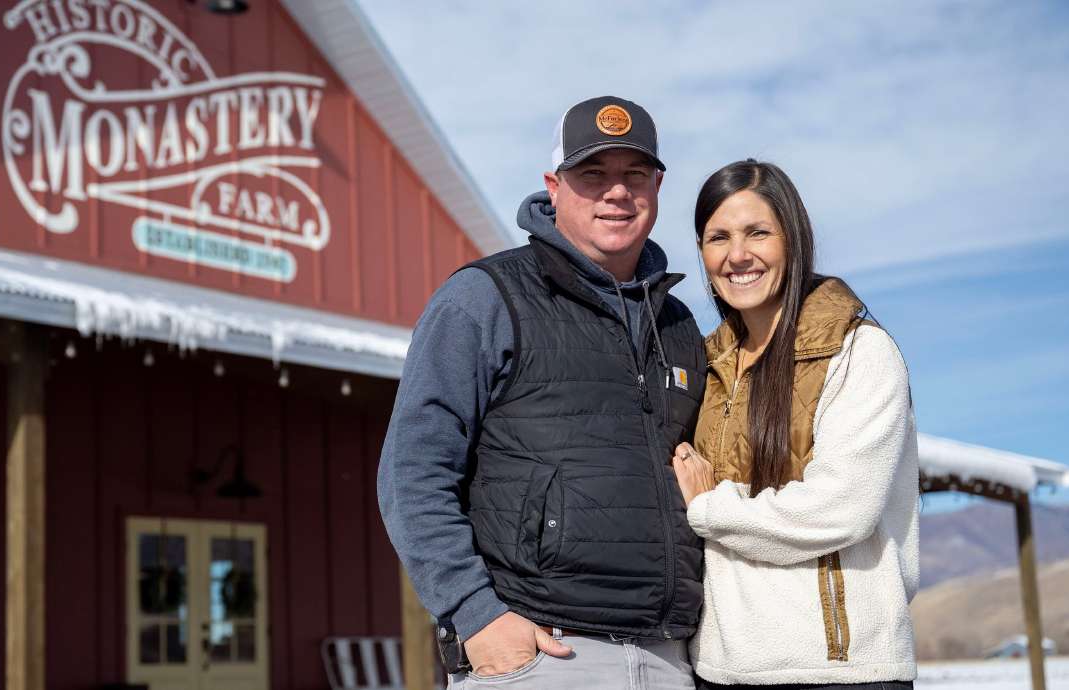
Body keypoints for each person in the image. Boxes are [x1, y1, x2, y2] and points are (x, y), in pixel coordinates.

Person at [377, 96, 705, 688]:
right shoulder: (485, 298)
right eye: (593, 175)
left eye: (635, 174)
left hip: (669, 660)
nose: (616, 192)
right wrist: (475, 615)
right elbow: (413, 470)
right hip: (539, 655)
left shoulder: (679, 325)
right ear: (553, 187)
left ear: (657, 186)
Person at [671, 159, 919, 689]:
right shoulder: (705, 367)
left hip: (836, 669)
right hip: (719, 668)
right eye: (718, 237)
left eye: (757, 232)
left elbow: (840, 509)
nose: (737, 255)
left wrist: (708, 506)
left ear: (794, 238)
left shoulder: (858, 352)